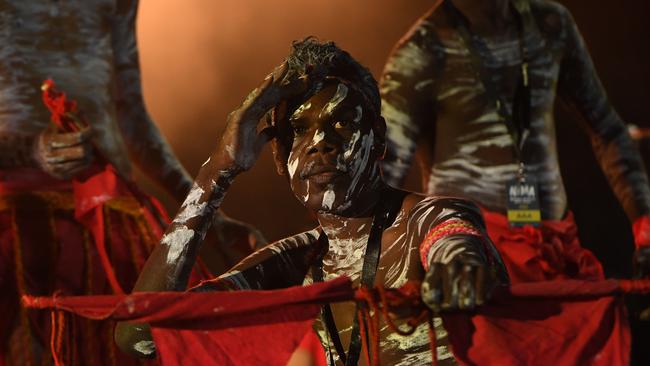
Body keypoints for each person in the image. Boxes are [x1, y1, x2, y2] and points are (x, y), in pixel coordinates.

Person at [115, 38, 508, 365]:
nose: (322, 144)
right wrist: (217, 171)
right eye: (300, 130)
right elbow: (139, 335)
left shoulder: (430, 217)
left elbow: (454, 240)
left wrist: (459, 266)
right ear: (280, 158)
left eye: (342, 123)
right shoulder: (295, 261)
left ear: (380, 140)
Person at [0, 1, 262, 365]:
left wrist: (212, 220)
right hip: (16, 226)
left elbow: (132, 120)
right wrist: (30, 151)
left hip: (115, 221)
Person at [380, 0, 650, 282]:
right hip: (470, 262)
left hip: (556, 250)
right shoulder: (421, 49)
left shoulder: (550, 25)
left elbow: (608, 131)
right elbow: (382, 168)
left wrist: (645, 229)